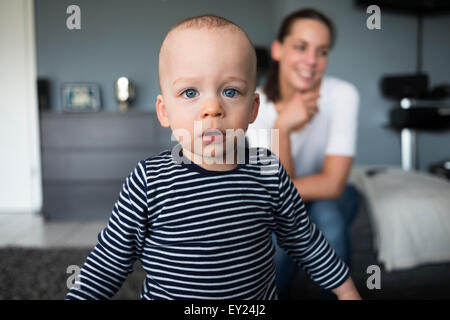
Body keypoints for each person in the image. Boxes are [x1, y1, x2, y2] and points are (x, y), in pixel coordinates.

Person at [65, 14, 361, 300]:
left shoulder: (268, 172)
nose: (212, 107)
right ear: (164, 111)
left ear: (253, 108)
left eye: (230, 91)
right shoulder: (148, 181)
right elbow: (108, 262)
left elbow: (305, 240)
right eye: (190, 92)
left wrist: (346, 290)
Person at [247, 8, 360, 299]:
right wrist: (282, 127)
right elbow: (278, 194)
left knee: (328, 216)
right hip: (288, 198)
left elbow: (333, 184)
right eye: (300, 47)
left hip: (327, 194)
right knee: (280, 236)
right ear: (277, 49)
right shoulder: (255, 109)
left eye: (321, 52)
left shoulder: (343, 95)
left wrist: (282, 192)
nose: (312, 61)